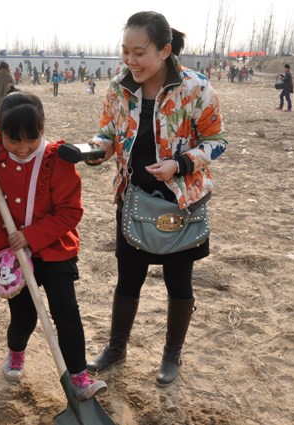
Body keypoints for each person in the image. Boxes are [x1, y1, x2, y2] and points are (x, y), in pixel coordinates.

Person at [84, 11, 227, 387]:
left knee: (178, 283)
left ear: (165, 51)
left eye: (139, 52)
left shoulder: (196, 87)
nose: (130, 61)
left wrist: (180, 164)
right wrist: (96, 149)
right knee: (128, 279)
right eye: (125, 51)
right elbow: (108, 133)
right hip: (134, 199)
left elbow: (217, 141)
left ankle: (171, 354)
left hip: (182, 202)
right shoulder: (119, 86)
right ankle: (116, 348)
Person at [0, 91, 107, 401]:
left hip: (53, 248)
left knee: (66, 311)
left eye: (32, 139)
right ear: (1, 131)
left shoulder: (57, 159)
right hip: (12, 253)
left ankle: (78, 376)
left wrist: (32, 235)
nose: (23, 148)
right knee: (24, 316)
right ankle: (16, 353)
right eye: (14, 141)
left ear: (42, 128)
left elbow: (70, 212)